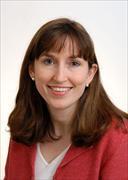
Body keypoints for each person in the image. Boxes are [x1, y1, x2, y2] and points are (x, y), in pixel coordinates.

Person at [4, 18, 128, 180]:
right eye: (48, 61)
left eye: (74, 63)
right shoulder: (22, 130)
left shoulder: (120, 139)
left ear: (90, 74)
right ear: (32, 69)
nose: (60, 77)